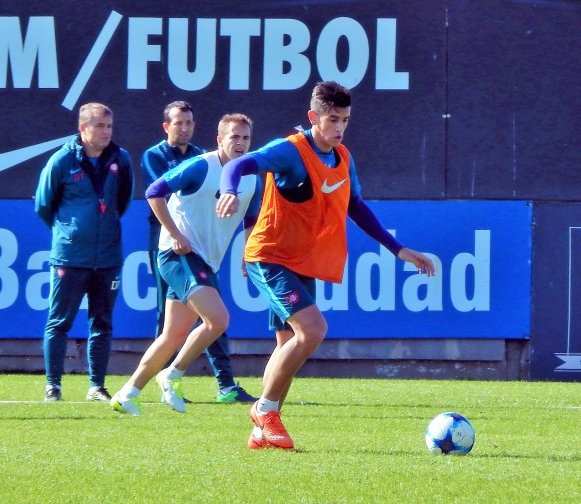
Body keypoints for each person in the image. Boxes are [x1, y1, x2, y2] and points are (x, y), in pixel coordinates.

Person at [216, 81, 436, 449]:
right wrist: (228, 190)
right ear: (313, 117)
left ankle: (261, 431)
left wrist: (399, 250)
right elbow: (238, 164)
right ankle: (265, 410)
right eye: (332, 119)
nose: (339, 128)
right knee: (313, 330)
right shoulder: (290, 151)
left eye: (345, 120)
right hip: (270, 256)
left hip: (303, 260)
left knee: (288, 342)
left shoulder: (343, 157)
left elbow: (356, 206)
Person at [110, 113, 261, 415]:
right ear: (220, 139)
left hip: (205, 260)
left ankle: (127, 393)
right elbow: (154, 192)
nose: (240, 143)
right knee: (218, 320)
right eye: (234, 137)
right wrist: (176, 234)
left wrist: (248, 252)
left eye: (245, 138)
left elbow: (249, 219)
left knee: (173, 335)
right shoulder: (201, 166)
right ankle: (173, 373)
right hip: (177, 254)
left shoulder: (251, 177)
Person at [35, 102, 134, 402]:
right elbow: (43, 205)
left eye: (109, 126)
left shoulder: (121, 159)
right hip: (70, 256)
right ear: (83, 128)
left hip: (107, 256)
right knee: (59, 321)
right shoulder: (62, 161)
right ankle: (53, 385)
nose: (106, 132)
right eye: (99, 126)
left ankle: (96, 386)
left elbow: (123, 200)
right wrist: (70, 231)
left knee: (102, 322)